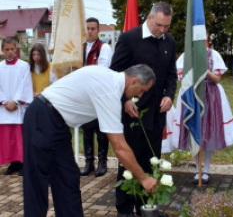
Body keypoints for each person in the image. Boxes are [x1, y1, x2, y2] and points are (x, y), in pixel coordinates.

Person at [23, 64, 157, 217]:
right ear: (133, 81)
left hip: (57, 123)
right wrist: (143, 178)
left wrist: (124, 101)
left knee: (68, 179)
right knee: (37, 182)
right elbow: (119, 147)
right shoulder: (109, 91)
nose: (139, 96)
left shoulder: (109, 78)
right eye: (141, 90)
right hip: (42, 117)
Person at [110, 2, 177, 217]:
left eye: (167, 26)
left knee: (152, 159)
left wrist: (168, 95)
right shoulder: (129, 38)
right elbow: (114, 74)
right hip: (132, 112)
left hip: (157, 114)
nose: (163, 30)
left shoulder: (169, 41)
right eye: (159, 25)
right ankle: (124, 208)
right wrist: (124, 100)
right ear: (149, 18)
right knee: (130, 159)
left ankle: (146, 206)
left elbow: (171, 75)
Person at [173, 47, 233, 184]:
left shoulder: (213, 55)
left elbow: (217, 79)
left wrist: (205, 70)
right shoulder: (186, 55)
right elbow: (182, 79)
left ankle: (206, 170)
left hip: (210, 95)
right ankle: (197, 169)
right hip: (191, 95)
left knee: (208, 131)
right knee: (194, 131)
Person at [80, 17, 113, 177]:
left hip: (99, 95)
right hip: (85, 95)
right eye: (87, 28)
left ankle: (102, 162)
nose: (90, 31)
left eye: (93, 28)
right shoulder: (81, 48)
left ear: (98, 30)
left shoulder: (104, 48)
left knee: (101, 130)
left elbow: (102, 71)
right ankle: (88, 162)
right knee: (87, 129)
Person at [0, 37, 33, 176]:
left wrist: (16, 101)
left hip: (18, 108)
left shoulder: (23, 66)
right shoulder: (0, 66)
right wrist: (3, 102)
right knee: (7, 138)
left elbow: (25, 85)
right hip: (4, 108)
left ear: (16, 49)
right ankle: (12, 163)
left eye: (12, 49)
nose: (9, 52)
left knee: (19, 136)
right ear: (2, 50)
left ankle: (22, 163)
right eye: (7, 49)